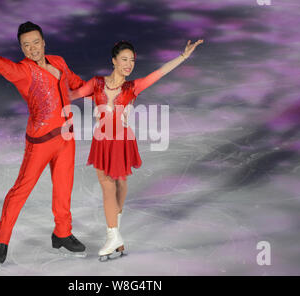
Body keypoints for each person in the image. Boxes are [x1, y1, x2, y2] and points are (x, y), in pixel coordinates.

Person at [0, 21, 87, 264]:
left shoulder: (58, 61)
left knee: (63, 189)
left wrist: (107, 88)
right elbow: (2, 66)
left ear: (44, 42)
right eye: (26, 45)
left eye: (36, 42)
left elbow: (78, 85)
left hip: (66, 138)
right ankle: (1, 237)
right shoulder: (23, 72)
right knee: (21, 190)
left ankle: (62, 234)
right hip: (40, 143)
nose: (33, 48)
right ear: (22, 49)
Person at [69, 39, 204, 260]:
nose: (129, 64)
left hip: (122, 141)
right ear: (113, 61)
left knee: (121, 185)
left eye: (132, 60)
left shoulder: (133, 87)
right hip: (102, 141)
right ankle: (113, 235)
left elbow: (159, 73)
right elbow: (69, 95)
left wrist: (183, 56)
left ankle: (115, 235)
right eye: (124, 59)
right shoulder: (96, 83)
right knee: (107, 188)